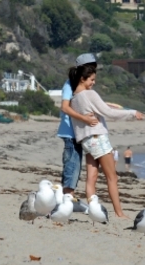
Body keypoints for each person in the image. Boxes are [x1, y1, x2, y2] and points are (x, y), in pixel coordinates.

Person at [68, 64, 144, 218]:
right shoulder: (89, 94)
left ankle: (93, 211)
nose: (94, 82)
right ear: (82, 79)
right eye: (92, 79)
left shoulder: (73, 99)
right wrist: (132, 113)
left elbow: (95, 109)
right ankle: (119, 213)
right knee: (112, 178)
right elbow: (109, 113)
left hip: (86, 142)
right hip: (98, 139)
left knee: (91, 179)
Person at [57, 53, 99, 195]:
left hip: (78, 133)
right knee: (72, 167)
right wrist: (84, 119)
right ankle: (66, 200)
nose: (93, 70)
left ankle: (67, 200)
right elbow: (64, 107)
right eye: (91, 67)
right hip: (70, 133)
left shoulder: (86, 86)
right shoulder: (70, 84)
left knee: (75, 168)